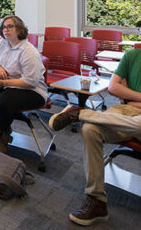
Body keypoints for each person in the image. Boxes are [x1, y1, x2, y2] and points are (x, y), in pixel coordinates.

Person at [49, 47, 141, 226]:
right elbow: (113, 87)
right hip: (124, 113)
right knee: (90, 129)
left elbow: (120, 90)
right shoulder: (132, 55)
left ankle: (81, 113)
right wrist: (132, 100)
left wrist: (128, 94)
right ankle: (96, 200)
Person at [0, 15, 46, 153]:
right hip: (7, 84)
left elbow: (30, 81)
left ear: (19, 29)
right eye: (4, 27)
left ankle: (2, 132)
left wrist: (5, 83)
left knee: (1, 103)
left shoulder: (28, 51)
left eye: (10, 26)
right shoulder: (3, 43)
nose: (6, 29)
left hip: (32, 91)